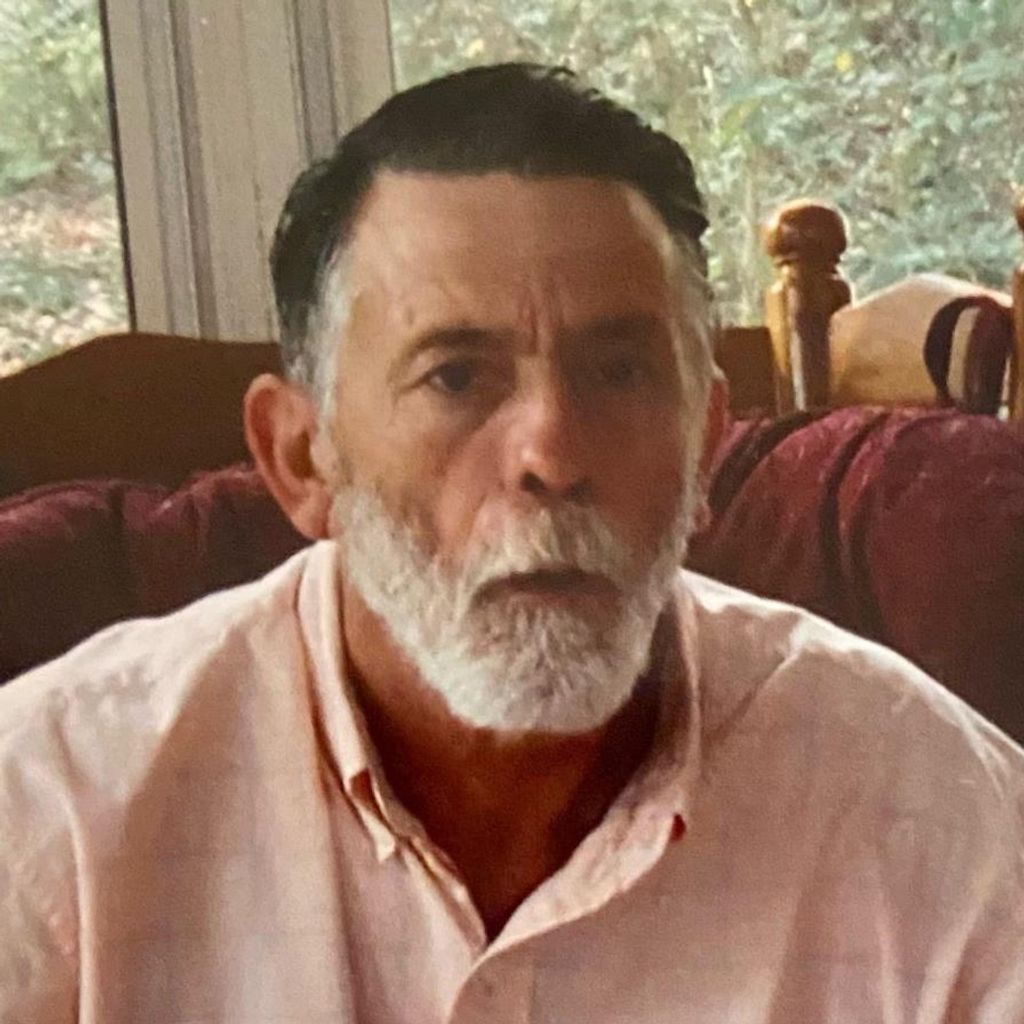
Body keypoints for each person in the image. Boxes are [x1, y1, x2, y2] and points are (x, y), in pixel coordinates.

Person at [1, 64, 1022, 1023]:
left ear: (704, 446)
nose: (552, 454)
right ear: (304, 458)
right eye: (455, 376)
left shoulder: (934, 815)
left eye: (619, 372)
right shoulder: (54, 814)